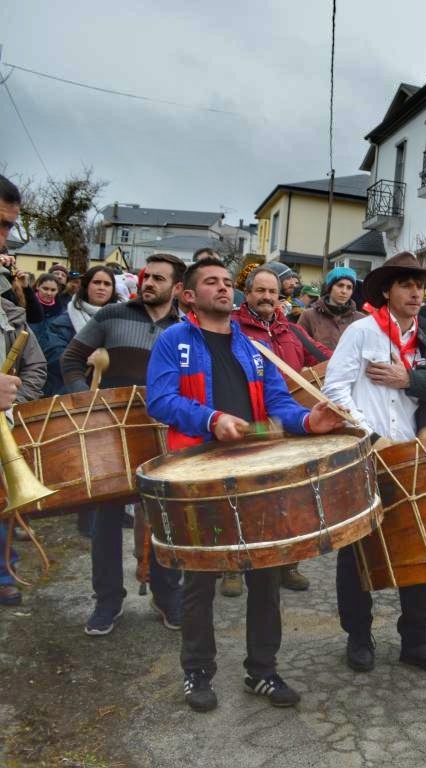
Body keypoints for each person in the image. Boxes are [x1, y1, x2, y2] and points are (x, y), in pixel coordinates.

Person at [145, 256, 345, 712]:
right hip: (197, 472)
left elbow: (277, 407)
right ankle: (197, 672)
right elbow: (159, 399)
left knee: (266, 574)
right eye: (209, 282)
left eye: (224, 282)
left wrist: (308, 421)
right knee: (199, 579)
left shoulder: (256, 349)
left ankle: (262, 670)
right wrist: (210, 419)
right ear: (189, 296)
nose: (222, 288)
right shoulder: (172, 341)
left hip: (255, 472)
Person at [322, 251, 426, 677]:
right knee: (357, 550)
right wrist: (369, 437)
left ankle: (417, 642)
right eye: (406, 285)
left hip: (411, 458)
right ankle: (358, 636)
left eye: (419, 285)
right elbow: (335, 389)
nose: (415, 292)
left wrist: (411, 380)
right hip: (364, 453)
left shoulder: (425, 340)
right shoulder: (361, 332)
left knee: (418, 546)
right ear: (387, 291)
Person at [60, 253, 187, 635]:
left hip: (160, 431)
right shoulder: (110, 315)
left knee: (165, 518)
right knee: (106, 519)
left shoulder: (184, 329)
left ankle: (167, 597)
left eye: (159, 279)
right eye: (147, 276)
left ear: (177, 288)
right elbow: (71, 360)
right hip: (109, 432)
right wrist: (88, 402)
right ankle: (107, 602)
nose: (149, 283)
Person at [228, 265, 331, 593]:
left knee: (291, 499)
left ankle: (288, 563)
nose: (267, 297)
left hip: (290, 423)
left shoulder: (292, 331)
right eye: (260, 291)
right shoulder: (233, 329)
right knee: (240, 498)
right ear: (248, 293)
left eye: (272, 291)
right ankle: (232, 567)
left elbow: (325, 356)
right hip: (249, 424)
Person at [0, 174, 47, 608]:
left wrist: (16, 403)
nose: (5, 241)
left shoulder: (4, 299)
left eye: (9, 228)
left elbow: (34, 361)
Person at [40, 266, 121, 396]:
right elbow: (54, 358)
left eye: (107, 284)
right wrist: (88, 360)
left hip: (112, 394)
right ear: (86, 285)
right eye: (96, 282)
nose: (102, 287)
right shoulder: (64, 322)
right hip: (68, 393)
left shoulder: (125, 319)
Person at [296, 267, 367, 350]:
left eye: (349, 287)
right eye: (340, 285)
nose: (344, 291)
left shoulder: (361, 320)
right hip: (315, 362)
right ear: (330, 288)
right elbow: (297, 346)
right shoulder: (309, 316)